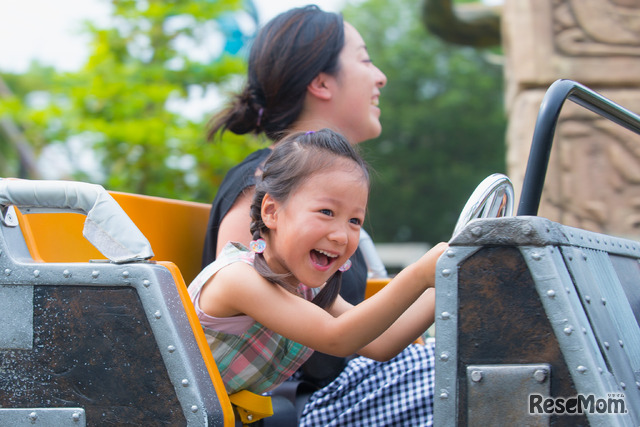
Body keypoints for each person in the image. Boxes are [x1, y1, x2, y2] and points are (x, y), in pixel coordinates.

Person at [190, 130, 447, 425]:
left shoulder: (303, 287)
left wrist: (446, 279)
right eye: (326, 211)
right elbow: (336, 338)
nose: (340, 235)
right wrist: (417, 274)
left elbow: (381, 344)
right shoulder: (237, 278)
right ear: (272, 212)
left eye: (354, 220)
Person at [201, 3, 388, 388]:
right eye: (365, 61)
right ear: (320, 83)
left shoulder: (320, 209)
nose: (381, 77)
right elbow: (262, 337)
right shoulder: (262, 187)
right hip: (302, 400)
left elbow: (375, 339)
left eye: (353, 219)